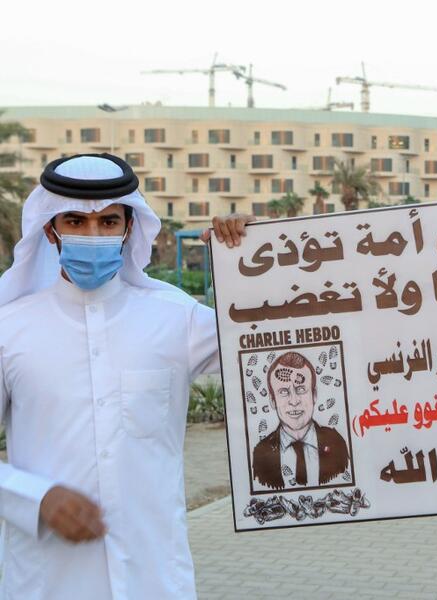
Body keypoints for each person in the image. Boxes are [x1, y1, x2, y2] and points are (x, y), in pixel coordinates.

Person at [0, 153, 251, 599]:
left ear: (129, 228)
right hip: (47, 581)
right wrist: (34, 499)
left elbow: (277, 339)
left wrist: (252, 254)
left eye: (108, 222)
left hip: (153, 577)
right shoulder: (9, 329)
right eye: (75, 221)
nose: (92, 235)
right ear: (50, 229)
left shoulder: (177, 319)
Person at [252, 351, 349, 490]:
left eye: (301, 389)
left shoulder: (337, 443)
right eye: (284, 392)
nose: (294, 401)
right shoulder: (260, 453)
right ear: (273, 401)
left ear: (314, 395)